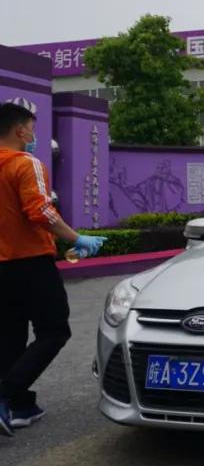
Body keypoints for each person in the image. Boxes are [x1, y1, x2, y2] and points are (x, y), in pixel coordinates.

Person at [0, 103, 106, 436]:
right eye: (31, 129)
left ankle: (19, 405)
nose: (33, 136)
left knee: (11, 336)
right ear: (19, 130)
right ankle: (4, 393)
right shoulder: (25, 163)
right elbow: (40, 212)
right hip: (30, 262)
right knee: (54, 331)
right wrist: (77, 238)